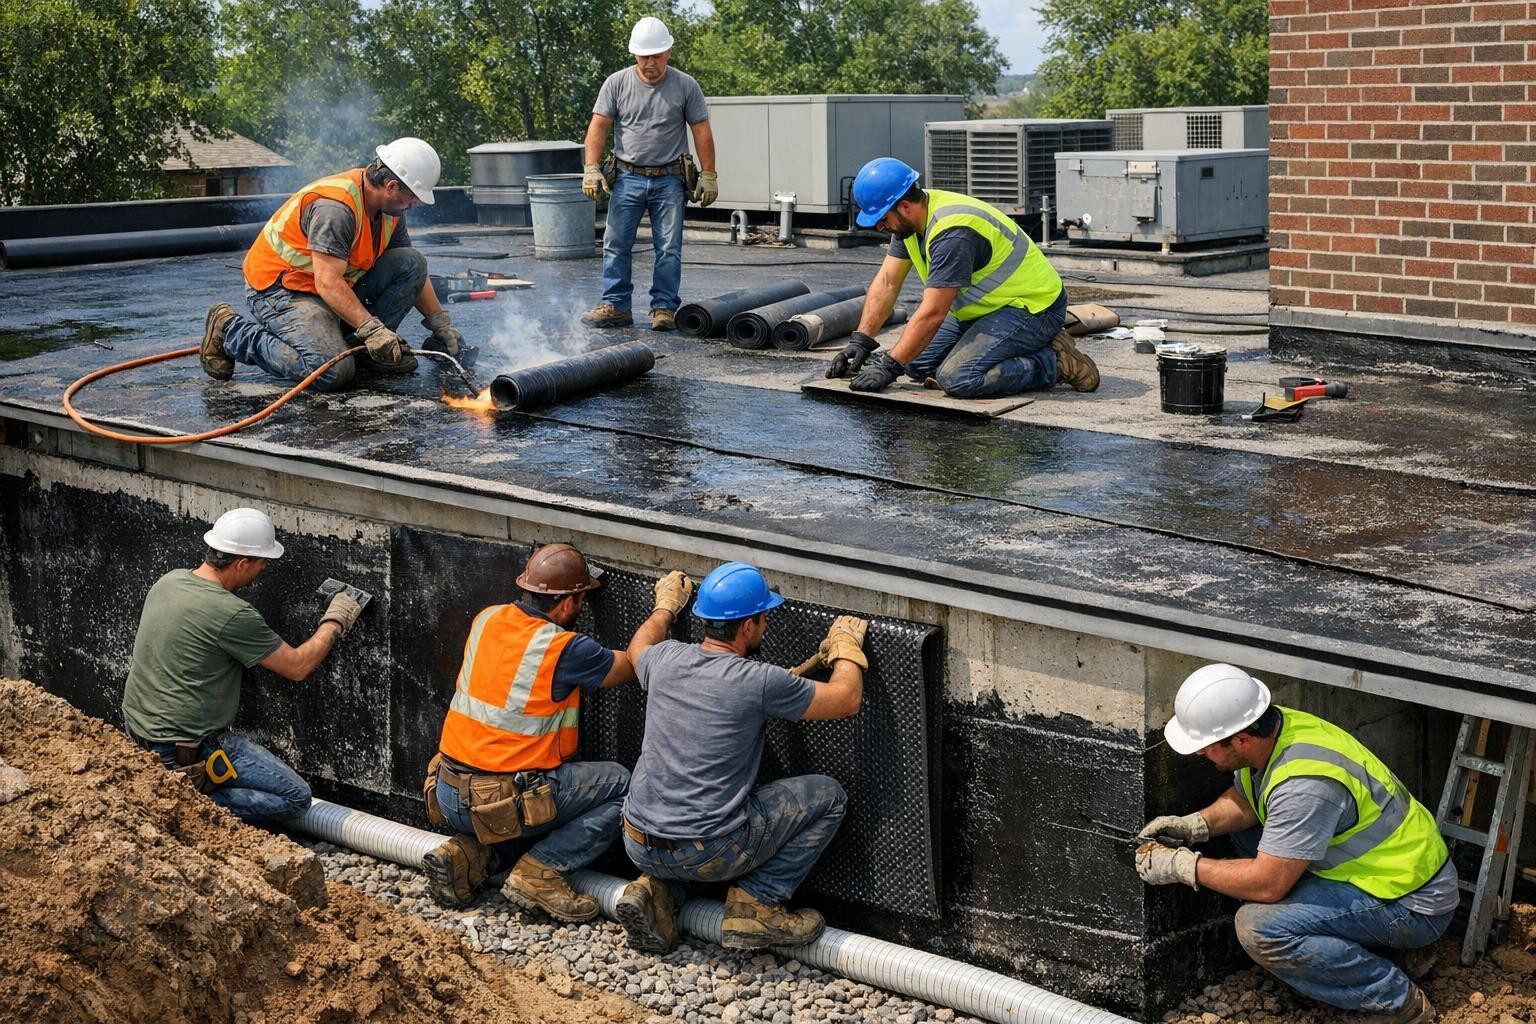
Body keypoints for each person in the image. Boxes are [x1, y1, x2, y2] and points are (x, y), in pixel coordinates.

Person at [1138, 663, 1455, 1024]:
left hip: (1410, 903)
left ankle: (1397, 1001)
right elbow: (1250, 800)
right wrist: (1196, 826)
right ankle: (1369, 949)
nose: (1199, 755)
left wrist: (1182, 866)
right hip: (1386, 874)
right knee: (1243, 837)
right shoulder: (1275, 730)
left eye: (1207, 747)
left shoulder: (1304, 784)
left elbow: (1267, 884)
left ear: (1240, 739)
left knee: (1258, 927)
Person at [613, 561, 868, 953]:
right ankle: (758, 905)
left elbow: (635, 649)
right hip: (709, 851)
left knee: (701, 815)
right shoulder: (760, 681)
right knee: (829, 795)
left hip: (635, 842)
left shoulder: (664, 659)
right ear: (748, 626)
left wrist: (665, 606)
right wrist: (846, 648)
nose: (765, 626)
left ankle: (656, 889)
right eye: (763, 618)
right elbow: (846, 699)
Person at [420, 543, 682, 921]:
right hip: (498, 801)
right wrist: (665, 609)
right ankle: (542, 872)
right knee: (623, 785)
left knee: (546, 793)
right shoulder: (563, 648)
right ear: (566, 604)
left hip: (447, 792)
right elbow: (638, 663)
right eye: (580, 601)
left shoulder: (488, 618)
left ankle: (473, 856)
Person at [121, 508, 364, 824]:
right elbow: (298, 666)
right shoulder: (232, 614)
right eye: (262, 563)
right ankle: (186, 799)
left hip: (136, 732)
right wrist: (336, 619)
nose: (263, 569)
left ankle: (172, 787)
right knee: (296, 798)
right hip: (184, 751)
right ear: (241, 563)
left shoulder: (169, 581)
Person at [199, 137, 468, 390]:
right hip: (282, 289)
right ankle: (231, 330)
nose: (415, 204)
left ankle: (363, 351)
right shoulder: (336, 208)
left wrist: (440, 324)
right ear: (391, 186)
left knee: (412, 262)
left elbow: (413, 272)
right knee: (330, 371)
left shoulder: (392, 211)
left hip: (328, 288)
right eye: (413, 197)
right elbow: (327, 282)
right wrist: (373, 329)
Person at [827, 156, 1099, 399]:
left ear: (905, 207)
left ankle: (1053, 361)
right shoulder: (909, 224)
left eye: (881, 218)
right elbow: (887, 282)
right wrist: (861, 340)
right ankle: (1010, 349)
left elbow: (933, 312)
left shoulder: (952, 232)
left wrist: (888, 367)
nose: (879, 226)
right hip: (985, 310)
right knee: (914, 363)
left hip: (1031, 308)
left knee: (958, 378)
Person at [579, 16, 717, 333]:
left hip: (670, 179)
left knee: (668, 247)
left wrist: (708, 174)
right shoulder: (616, 83)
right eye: (644, 56)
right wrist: (590, 167)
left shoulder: (685, 85)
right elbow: (598, 127)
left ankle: (664, 308)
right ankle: (615, 306)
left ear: (668, 52)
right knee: (615, 243)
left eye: (656, 55)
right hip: (627, 176)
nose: (650, 62)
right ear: (635, 54)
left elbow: (702, 131)